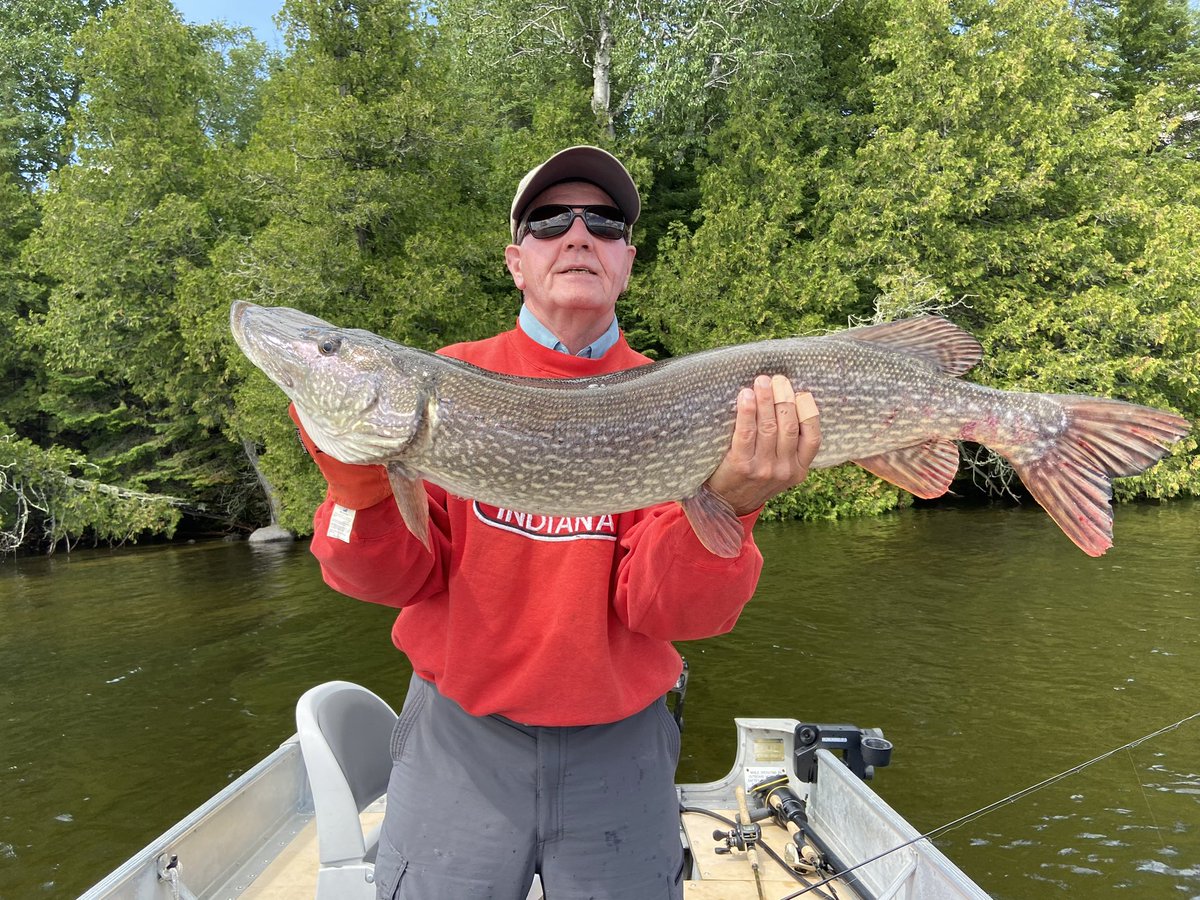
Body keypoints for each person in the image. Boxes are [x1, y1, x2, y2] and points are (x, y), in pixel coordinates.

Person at [291, 146, 821, 900]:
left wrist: (733, 501)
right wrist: (358, 484)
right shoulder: (443, 380)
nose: (578, 235)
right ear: (516, 260)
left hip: (622, 753)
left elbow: (671, 610)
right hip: (457, 750)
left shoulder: (669, 397)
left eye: (603, 223)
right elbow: (388, 578)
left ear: (627, 261)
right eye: (550, 221)